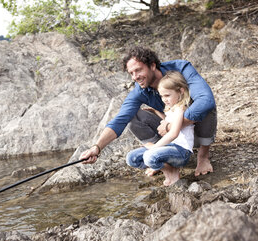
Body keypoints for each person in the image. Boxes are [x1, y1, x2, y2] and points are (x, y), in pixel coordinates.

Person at [80, 46, 217, 177]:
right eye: (131, 73)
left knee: (204, 106)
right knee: (134, 117)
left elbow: (206, 101)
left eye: (138, 70)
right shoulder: (140, 91)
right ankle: (161, 159)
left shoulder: (181, 68)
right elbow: (119, 120)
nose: (135, 77)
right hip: (170, 137)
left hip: (194, 132)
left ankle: (203, 156)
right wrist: (97, 148)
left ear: (152, 65)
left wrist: (172, 126)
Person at [126, 71, 194, 186]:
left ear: (181, 91)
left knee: (149, 156)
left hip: (181, 151)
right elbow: (167, 121)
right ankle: (167, 168)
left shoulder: (181, 108)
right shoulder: (171, 108)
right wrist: (156, 111)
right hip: (170, 148)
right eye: (162, 96)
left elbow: (173, 133)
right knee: (131, 158)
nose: (164, 99)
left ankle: (171, 171)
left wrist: (154, 147)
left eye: (167, 95)